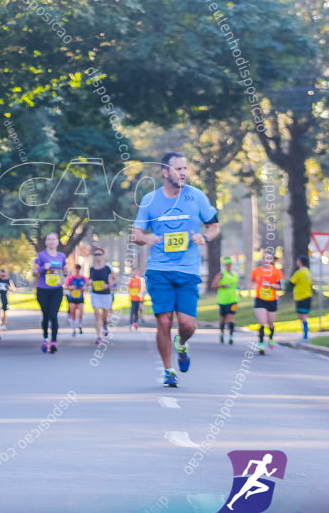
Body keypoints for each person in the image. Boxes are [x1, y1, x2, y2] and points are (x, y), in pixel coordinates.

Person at [133, 152, 220, 388]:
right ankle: (169, 370)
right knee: (163, 322)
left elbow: (213, 225)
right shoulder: (150, 200)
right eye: (178, 169)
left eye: (185, 169)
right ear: (165, 172)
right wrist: (147, 238)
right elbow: (137, 234)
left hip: (188, 270)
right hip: (159, 270)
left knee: (188, 324)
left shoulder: (196, 196)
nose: (183, 173)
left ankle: (181, 344)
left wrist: (205, 237)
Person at [34, 232, 67, 353]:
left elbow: (65, 270)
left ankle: (54, 341)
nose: (51, 241)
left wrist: (66, 274)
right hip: (43, 290)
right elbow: (34, 272)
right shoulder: (41, 255)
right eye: (49, 239)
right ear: (46, 242)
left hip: (57, 290)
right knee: (46, 315)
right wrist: (43, 268)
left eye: (53, 239)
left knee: (54, 315)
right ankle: (45, 338)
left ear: (58, 242)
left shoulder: (61, 256)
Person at [250, 251, 283, 353]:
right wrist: (251, 289)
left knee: (271, 323)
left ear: (272, 260)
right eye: (265, 258)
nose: (266, 261)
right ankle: (261, 344)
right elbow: (252, 281)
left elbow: (280, 287)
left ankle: (271, 338)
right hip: (260, 300)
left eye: (269, 258)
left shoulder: (276, 272)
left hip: (272, 300)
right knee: (262, 322)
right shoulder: (257, 270)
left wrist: (270, 285)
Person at [89, 248, 117, 344]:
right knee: (96, 313)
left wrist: (108, 285)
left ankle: (105, 326)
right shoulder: (91, 268)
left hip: (106, 294)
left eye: (99, 254)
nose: (97, 256)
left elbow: (115, 279)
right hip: (95, 293)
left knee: (105, 316)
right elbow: (90, 279)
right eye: (95, 254)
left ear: (103, 255)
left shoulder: (107, 268)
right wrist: (89, 283)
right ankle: (98, 336)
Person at [211, 257, 240, 345]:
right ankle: (222, 333)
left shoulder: (235, 275)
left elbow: (236, 286)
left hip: (233, 300)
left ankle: (231, 336)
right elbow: (213, 285)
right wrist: (223, 285)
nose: (229, 266)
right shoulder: (221, 274)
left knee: (231, 317)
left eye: (230, 265)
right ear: (225, 266)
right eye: (227, 265)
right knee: (223, 319)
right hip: (223, 300)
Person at [289, 255, 313, 341]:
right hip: (308, 296)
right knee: (304, 316)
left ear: (300, 262)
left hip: (300, 297)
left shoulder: (299, 273)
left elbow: (291, 283)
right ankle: (305, 332)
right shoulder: (308, 272)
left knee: (302, 316)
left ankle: (305, 334)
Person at [64, 263, 87, 336]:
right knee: (72, 312)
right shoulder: (71, 278)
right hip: (72, 298)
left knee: (81, 312)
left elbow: (87, 286)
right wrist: (70, 288)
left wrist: (84, 288)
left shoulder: (83, 278)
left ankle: (80, 325)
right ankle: (73, 329)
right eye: (76, 268)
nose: (77, 270)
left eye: (78, 268)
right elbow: (65, 286)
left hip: (80, 297)